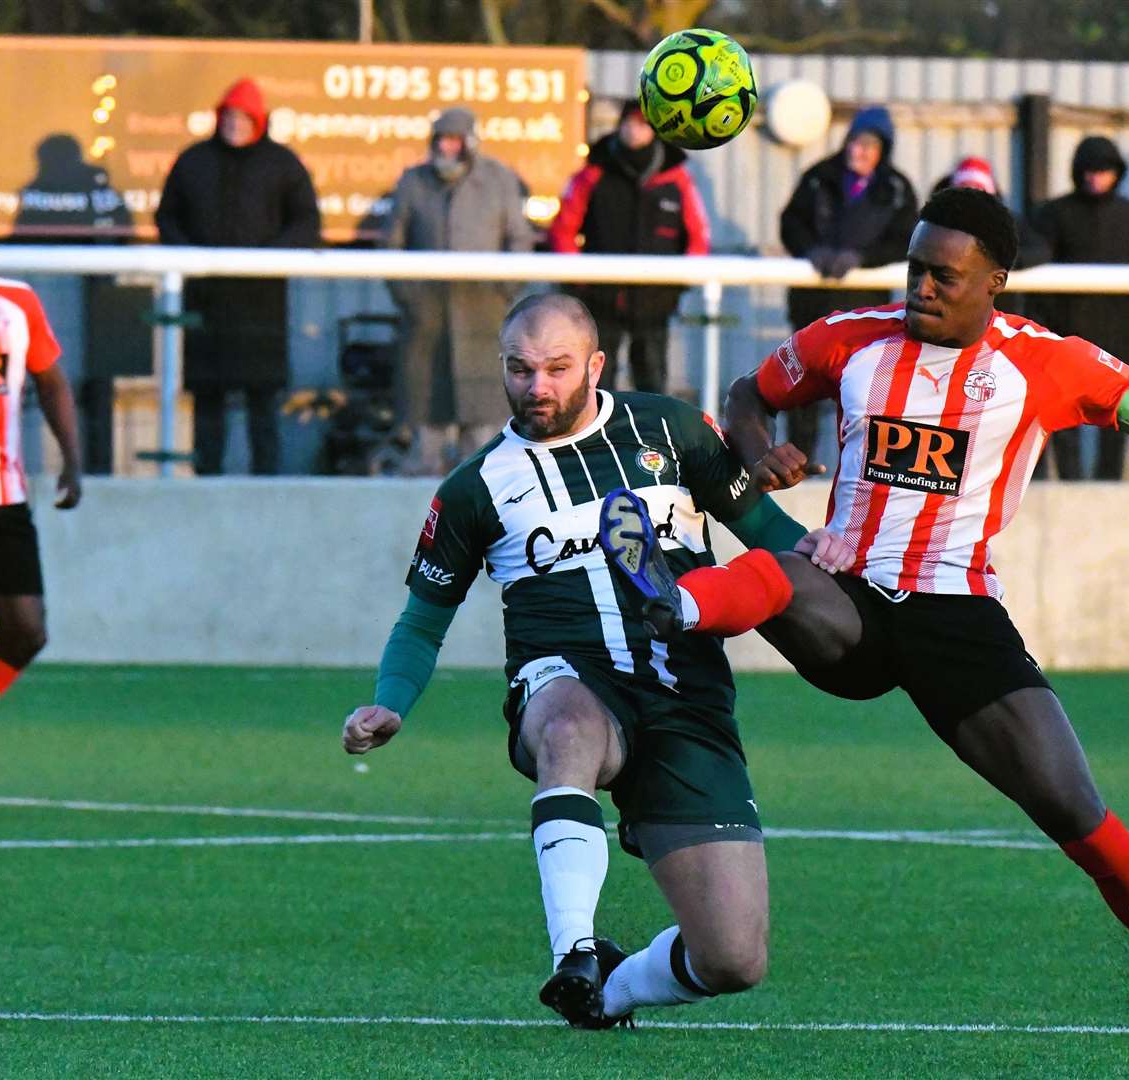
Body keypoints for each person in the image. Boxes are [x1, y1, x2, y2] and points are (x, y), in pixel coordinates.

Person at [608, 187, 1129, 1038]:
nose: (920, 286)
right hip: (843, 595)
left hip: (957, 617)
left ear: (994, 282)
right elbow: (749, 389)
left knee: (1077, 813)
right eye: (915, 267)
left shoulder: (1050, 363)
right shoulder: (849, 341)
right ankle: (671, 598)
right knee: (779, 569)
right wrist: (755, 445)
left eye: (943, 276)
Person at [339, 293, 852, 1029]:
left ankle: (606, 990)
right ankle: (572, 949)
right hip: (566, 677)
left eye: (555, 367)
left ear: (596, 364)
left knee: (733, 958)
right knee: (567, 729)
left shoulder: (670, 430)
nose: (536, 386)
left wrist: (825, 562)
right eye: (519, 369)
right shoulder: (474, 488)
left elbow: (766, 532)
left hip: (686, 699)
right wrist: (391, 701)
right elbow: (424, 619)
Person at [155, 76, 320, 476]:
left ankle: (267, 482)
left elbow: (306, 221)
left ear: (258, 121)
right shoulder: (193, 160)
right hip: (205, 300)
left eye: (243, 118)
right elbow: (167, 216)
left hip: (260, 303)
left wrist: (268, 258)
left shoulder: (282, 164)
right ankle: (205, 478)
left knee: (262, 400)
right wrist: (190, 254)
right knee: (208, 400)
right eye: (228, 117)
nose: (234, 124)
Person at [383, 107, 535, 474]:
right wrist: (410, 298)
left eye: (454, 141)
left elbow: (520, 240)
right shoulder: (413, 181)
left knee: (483, 441)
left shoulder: (499, 181)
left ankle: (479, 525)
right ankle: (420, 524)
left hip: (482, 320)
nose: (446, 149)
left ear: (469, 143)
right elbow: (391, 244)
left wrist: (503, 294)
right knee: (425, 436)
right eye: (440, 141)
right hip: (427, 324)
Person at [778, 106, 918, 468]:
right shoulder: (818, 177)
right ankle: (798, 469)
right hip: (813, 307)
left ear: (882, 150)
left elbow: (905, 238)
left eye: (870, 145)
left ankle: (858, 473)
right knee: (803, 394)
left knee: (861, 399)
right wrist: (813, 252)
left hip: (863, 316)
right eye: (856, 142)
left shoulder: (897, 190)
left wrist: (861, 259)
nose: (860, 151)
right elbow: (791, 221)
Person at [547, 100, 710, 396]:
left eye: (642, 124)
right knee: (596, 382)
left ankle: (650, 441)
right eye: (628, 123)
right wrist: (580, 279)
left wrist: (678, 283)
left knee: (651, 383)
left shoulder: (677, 179)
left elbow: (698, 236)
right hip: (600, 299)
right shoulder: (593, 173)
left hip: (655, 300)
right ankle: (596, 440)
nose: (634, 130)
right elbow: (563, 229)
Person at [0, 212, 83, 709]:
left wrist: (71, 458)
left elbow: (51, 380)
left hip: (1, 498)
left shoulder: (15, 302)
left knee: (25, 631)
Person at [1027, 136, 1129, 480]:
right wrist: (1051, 324)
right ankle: (1070, 484)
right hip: (1068, 334)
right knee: (1064, 414)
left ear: (1117, 173)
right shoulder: (1055, 214)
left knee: (1119, 412)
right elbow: (1038, 272)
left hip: (1117, 334)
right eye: (1089, 170)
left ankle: (1108, 484)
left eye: (1104, 170)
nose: (1096, 177)